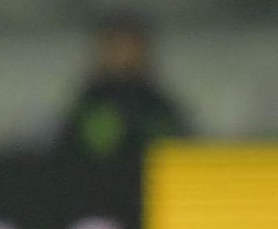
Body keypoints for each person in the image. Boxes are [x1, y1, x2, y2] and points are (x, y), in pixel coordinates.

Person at [53, 11, 189, 158]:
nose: (124, 54)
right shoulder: (85, 107)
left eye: (131, 45)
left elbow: (183, 150)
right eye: (115, 45)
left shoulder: (158, 108)